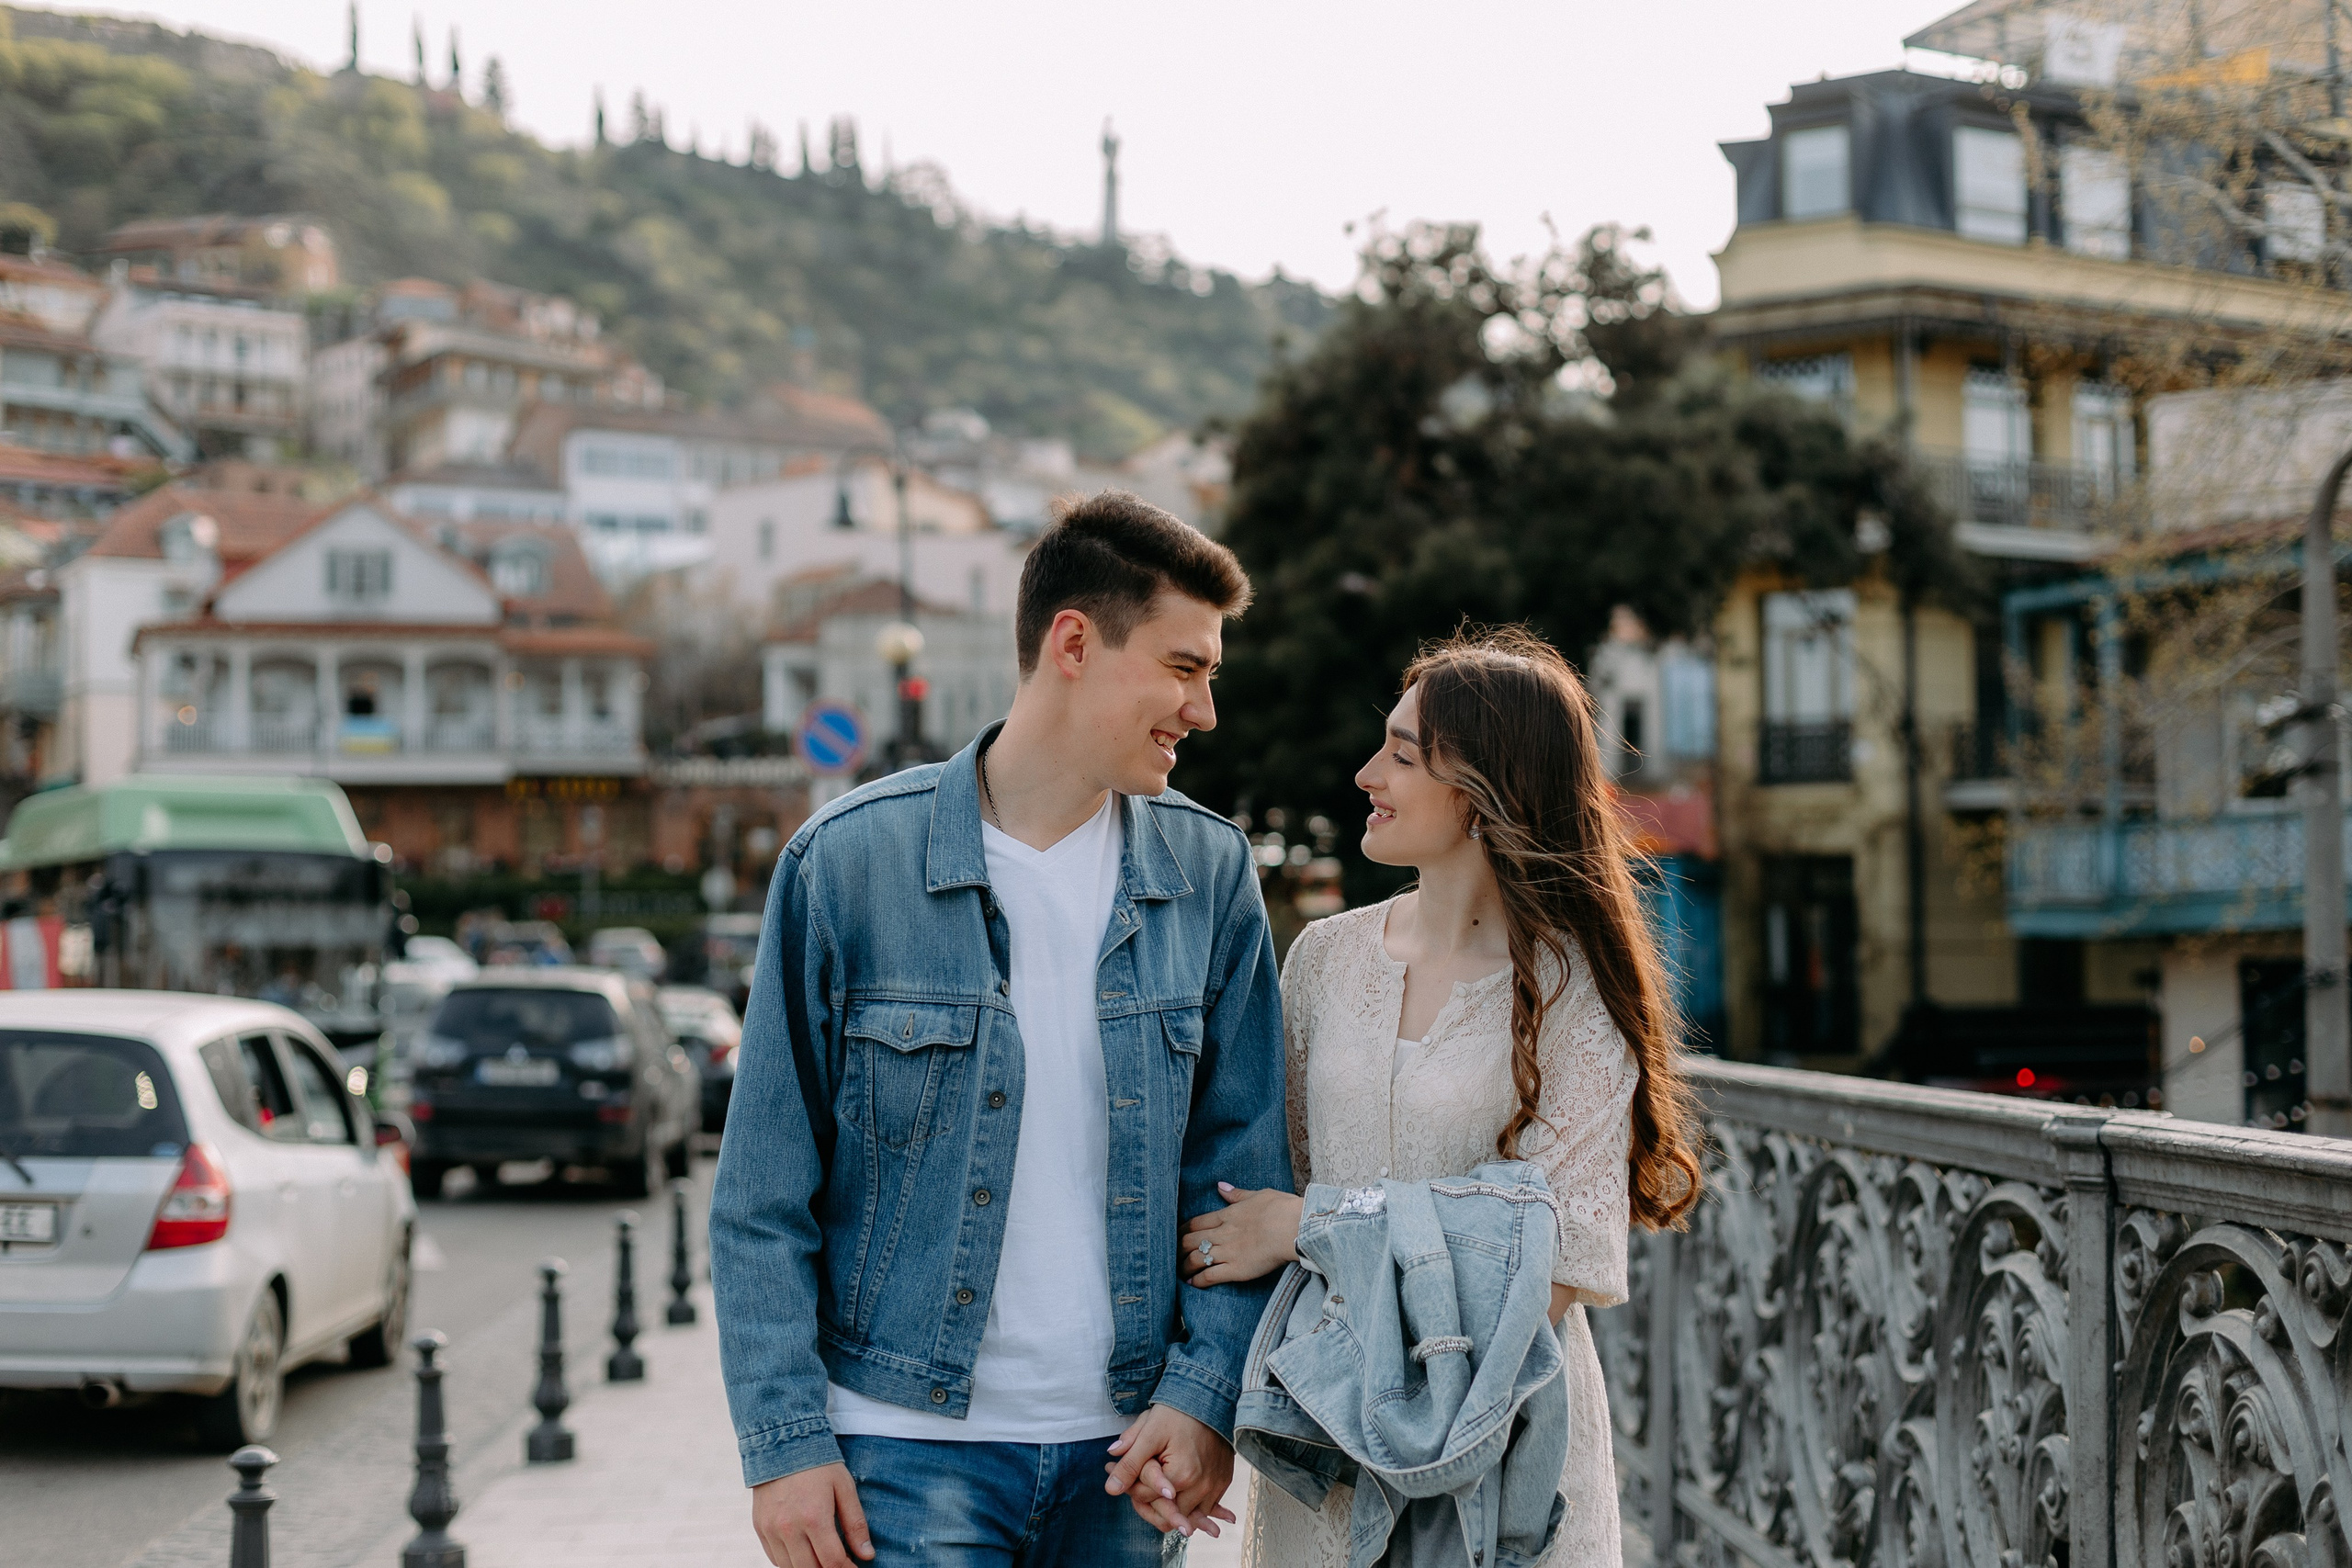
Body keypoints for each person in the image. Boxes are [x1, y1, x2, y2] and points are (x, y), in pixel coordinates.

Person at [710, 491, 1294, 1568]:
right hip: (900, 1453)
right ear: (1073, 642)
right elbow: (760, 1192)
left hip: (1129, 1457)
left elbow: (1240, 1175)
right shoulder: (848, 864)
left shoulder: (1209, 875)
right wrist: (783, 1445)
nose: (1204, 710)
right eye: (1183, 667)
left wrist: (1205, 1395)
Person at [1178, 627, 1704, 1568]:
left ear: (1483, 788)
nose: (1364, 773)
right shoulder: (1324, 960)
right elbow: (1260, 1189)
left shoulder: (1581, 990)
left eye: (1402, 754)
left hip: (1502, 1454)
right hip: (1324, 1444)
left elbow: (1542, 1271)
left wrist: (1313, 1226)